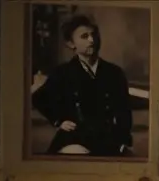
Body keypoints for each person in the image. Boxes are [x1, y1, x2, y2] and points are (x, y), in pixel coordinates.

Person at [30, 14, 135, 157]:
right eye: (84, 36)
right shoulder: (63, 73)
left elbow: (124, 111)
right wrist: (58, 120)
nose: (91, 40)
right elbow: (38, 98)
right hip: (74, 138)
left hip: (108, 139)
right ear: (70, 43)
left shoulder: (114, 73)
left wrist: (124, 140)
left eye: (94, 34)